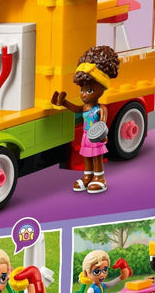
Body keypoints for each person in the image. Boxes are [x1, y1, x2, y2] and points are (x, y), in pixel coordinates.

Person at [51, 45, 121, 193]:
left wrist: (103, 135)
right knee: (86, 156)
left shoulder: (100, 108)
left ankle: (99, 177)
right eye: (82, 90)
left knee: (97, 157)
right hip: (86, 136)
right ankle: (87, 176)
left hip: (96, 136)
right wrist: (64, 103)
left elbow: (103, 123)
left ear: (102, 88)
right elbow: (76, 109)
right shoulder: (85, 107)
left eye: (89, 90)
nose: (83, 94)